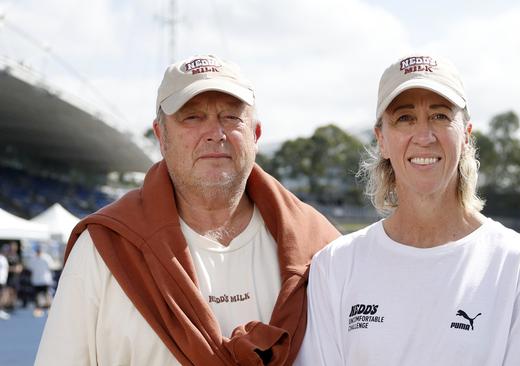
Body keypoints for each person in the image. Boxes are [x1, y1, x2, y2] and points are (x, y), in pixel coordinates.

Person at [35, 54, 339, 365]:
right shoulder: (104, 248)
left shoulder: (321, 247)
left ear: (256, 134)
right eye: (192, 117)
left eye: (231, 117)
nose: (214, 133)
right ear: (161, 136)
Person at [296, 53, 520, 365]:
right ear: (382, 140)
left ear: (466, 135)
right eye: (405, 118)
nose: (424, 136)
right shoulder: (335, 266)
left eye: (440, 116)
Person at [28, 245, 54, 317]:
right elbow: (30, 268)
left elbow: (51, 266)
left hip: (45, 280)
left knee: (47, 295)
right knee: (37, 296)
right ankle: (39, 310)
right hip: (36, 280)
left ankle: (49, 309)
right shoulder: (33, 258)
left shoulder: (46, 258)